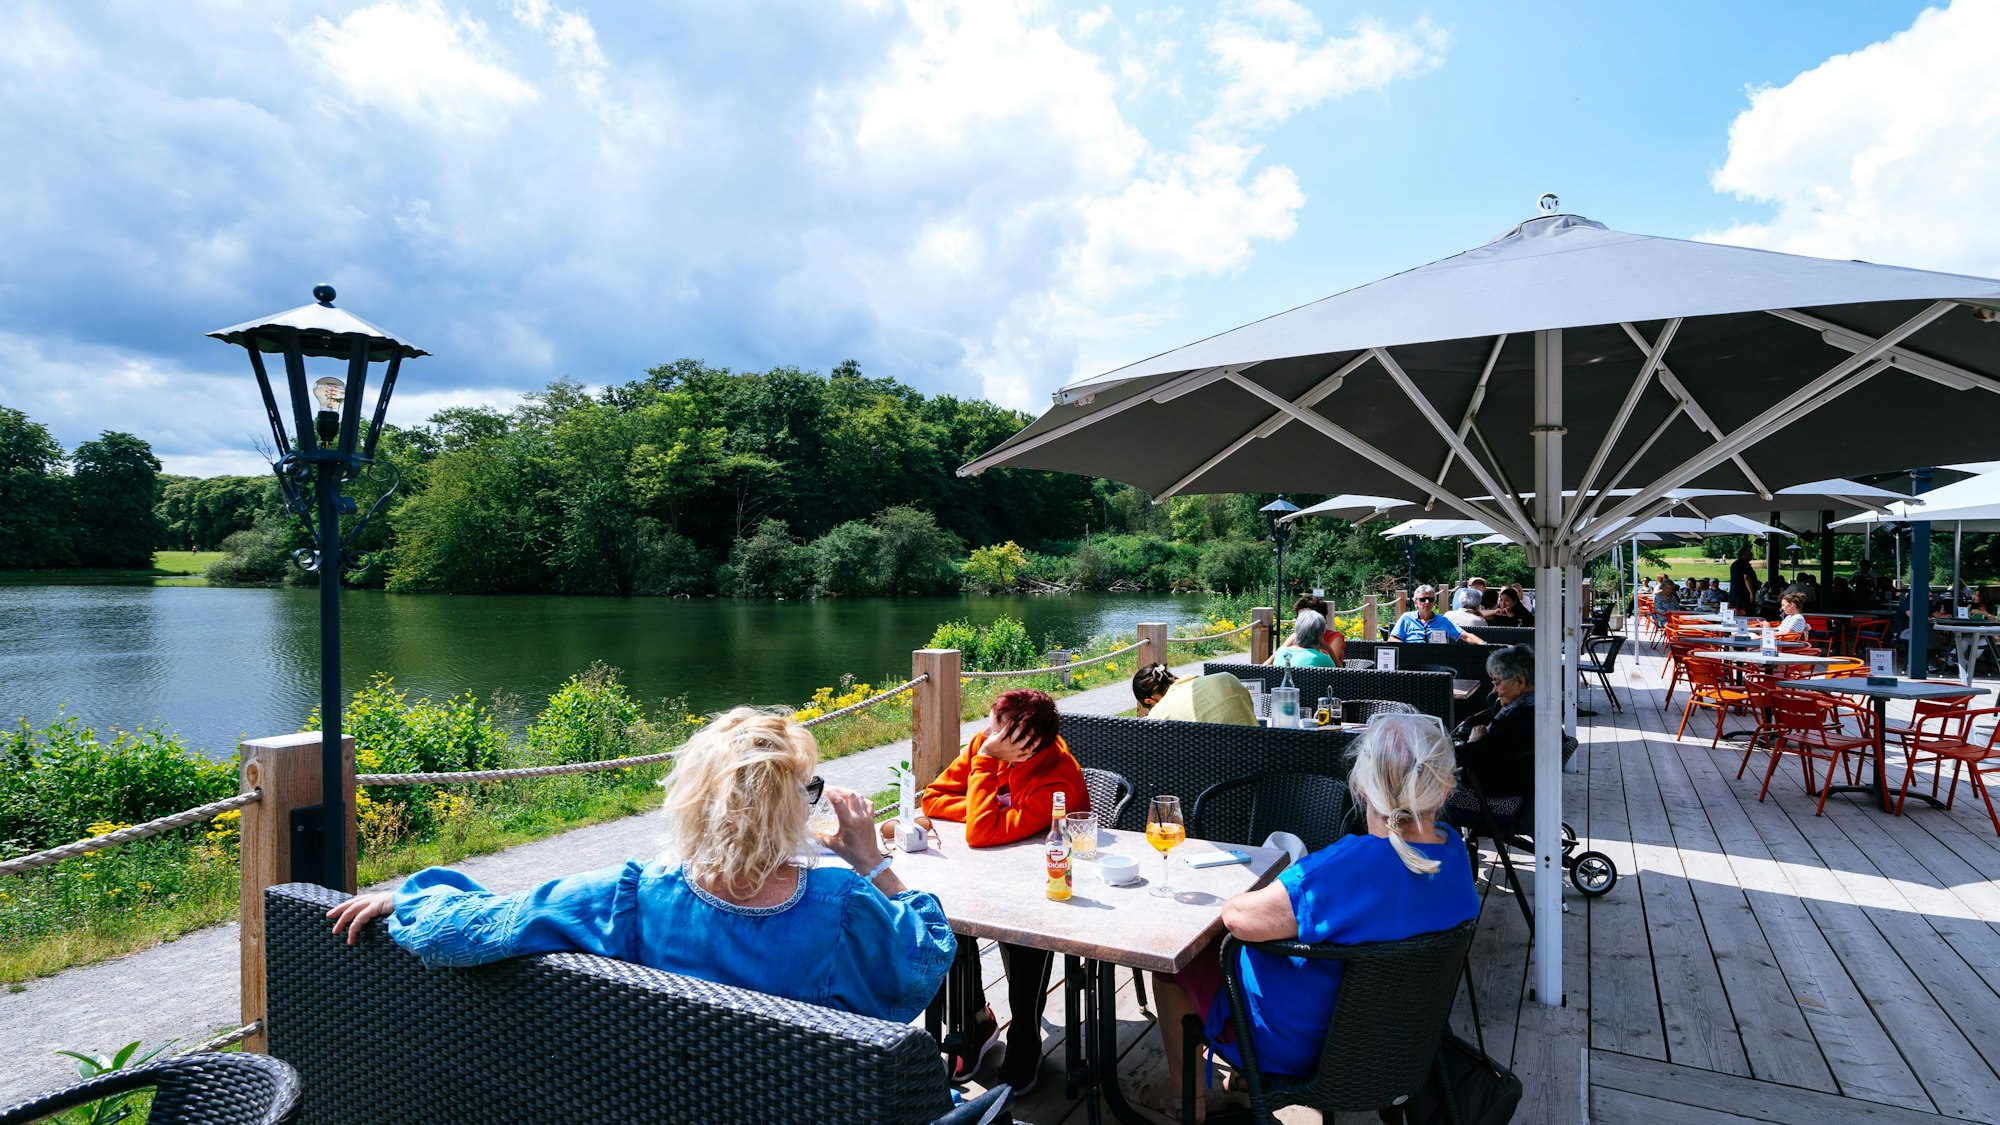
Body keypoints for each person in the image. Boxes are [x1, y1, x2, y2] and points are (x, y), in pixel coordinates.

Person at [324, 708, 955, 1025]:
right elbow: (928, 958)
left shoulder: (631, 896)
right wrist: (872, 862)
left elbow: (478, 928)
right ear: (787, 808)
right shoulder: (843, 904)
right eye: (807, 789)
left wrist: (407, 898)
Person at [1136, 715, 1480, 1115]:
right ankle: (1245, 1086)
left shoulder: (1349, 869)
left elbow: (1238, 918)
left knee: (1178, 963)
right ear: (1445, 787)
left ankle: (1183, 1096)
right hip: (1394, 1045)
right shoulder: (1454, 854)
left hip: (1302, 1050)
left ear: (1362, 784)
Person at [920, 689, 1088, 1093]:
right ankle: (975, 1020)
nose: (985, 733)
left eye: (995, 728)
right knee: (942, 916)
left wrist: (985, 783)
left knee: (1024, 931)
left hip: (1046, 883)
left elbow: (980, 832)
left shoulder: (1058, 781)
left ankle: (1025, 1034)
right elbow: (933, 798)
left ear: (1021, 742)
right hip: (978, 872)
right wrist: (990, 805)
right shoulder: (987, 746)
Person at [1451, 645, 1536, 799]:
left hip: (1495, 797)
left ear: (1520, 681)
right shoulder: (1536, 710)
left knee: (1429, 790)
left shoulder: (1520, 720)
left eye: (1497, 682)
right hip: (1514, 787)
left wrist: (1472, 741)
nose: (1494, 690)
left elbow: (1473, 756)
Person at [1388, 585, 1486, 645]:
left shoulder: (1443, 621)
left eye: (1430, 599)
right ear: (1415, 602)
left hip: (1436, 660)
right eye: (1423, 599)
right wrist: (1408, 648)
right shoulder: (1407, 618)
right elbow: (1392, 639)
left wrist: (1485, 644)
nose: (1427, 602)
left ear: (1434, 602)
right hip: (1412, 659)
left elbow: (1466, 636)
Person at [1149, 672, 1258, 725]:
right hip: (1254, 755)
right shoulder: (1227, 678)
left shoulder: (1157, 714)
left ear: (1149, 701)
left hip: (1201, 762)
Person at [1279, 594, 1347, 665]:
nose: (1302, 622)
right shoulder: (1296, 636)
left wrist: (1328, 648)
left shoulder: (1335, 637)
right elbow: (1278, 656)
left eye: (1306, 618)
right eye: (1300, 618)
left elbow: (1328, 664)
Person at [1273, 608, 1339, 667]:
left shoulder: (1281, 653)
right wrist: (1329, 649)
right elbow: (1340, 673)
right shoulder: (1322, 658)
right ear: (1321, 635)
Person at [1728, 546, 1759, 613]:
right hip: (1744, 595)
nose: (1752, 555)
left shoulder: (1734, 564)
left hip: (1735, 594)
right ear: (1744, 555)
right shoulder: (1745, 564)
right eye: (1750, 554)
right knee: (1747, 612)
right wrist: (1751, 594)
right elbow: (1746, 578)